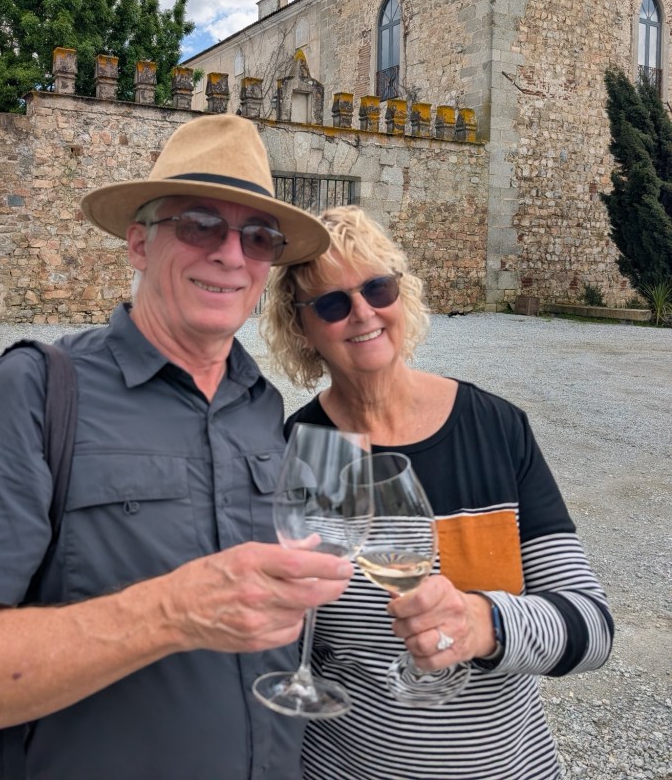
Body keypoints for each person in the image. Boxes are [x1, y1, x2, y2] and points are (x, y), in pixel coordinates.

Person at [0, 115, 351, 780]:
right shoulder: (35, 392)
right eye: (200, 224)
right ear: (139, 243)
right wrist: (171, 610)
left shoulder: (261, 406)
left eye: (258, 237)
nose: (232, 255)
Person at [263, 205, 614, 780]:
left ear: (401, 295)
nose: (363, 312)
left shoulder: (492, 428)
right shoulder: (307, 450)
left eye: (378, 288)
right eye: (331, 304)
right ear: (302, 328)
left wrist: (485, 623)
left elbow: (593, 628)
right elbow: (288, 641)